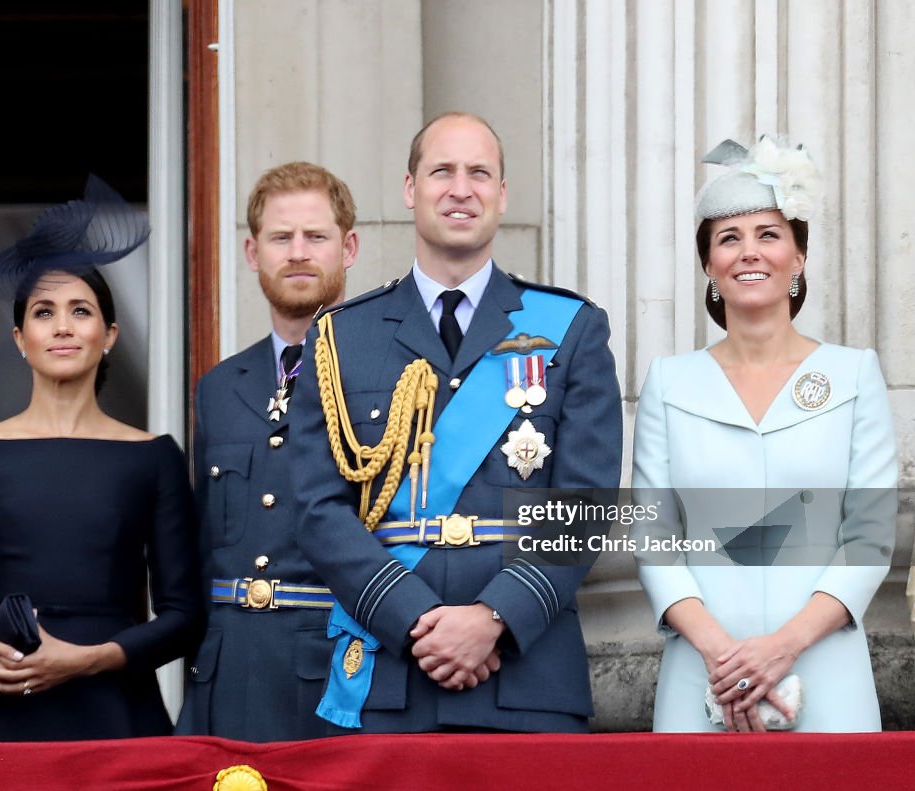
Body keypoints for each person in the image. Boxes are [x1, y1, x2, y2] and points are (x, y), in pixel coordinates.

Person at [288, 111, 622, 733]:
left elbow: (586, 506)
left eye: (479, 173)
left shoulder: (570, 328)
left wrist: (493, 617)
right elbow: (316, 508)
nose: (460, 188)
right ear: (411, 189)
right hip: (390, 672)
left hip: (526, 677)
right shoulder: (340, 337)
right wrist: (415, 619)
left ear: (502, 194)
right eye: (442, 171)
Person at [0, 174, 203, 741]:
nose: (62, 326)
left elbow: (184, 617)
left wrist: (90, 659)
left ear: (110, 334)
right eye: (44, 312)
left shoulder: (153, 457)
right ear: (20, 338)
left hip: (114, 712)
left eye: (80, 311)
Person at [632, 136, 897, 732]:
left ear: (799, 257)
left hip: (825, 667)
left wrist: (782, 646)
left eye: (769, 235)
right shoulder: (670, 383)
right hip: (704, 673)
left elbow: (871, 534)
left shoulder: (853, 374)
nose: (749, 252)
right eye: (729, 238)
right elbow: (653, 535)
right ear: (709, 265)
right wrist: (725, 657)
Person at [176, 161, 358, 741]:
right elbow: (206, 545)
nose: (298, 252)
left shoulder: (390, 374)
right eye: (281, 238)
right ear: (253, 254)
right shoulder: (220, 385)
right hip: (228, 672)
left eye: (316, 236)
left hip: (337, 673)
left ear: (348, 247)